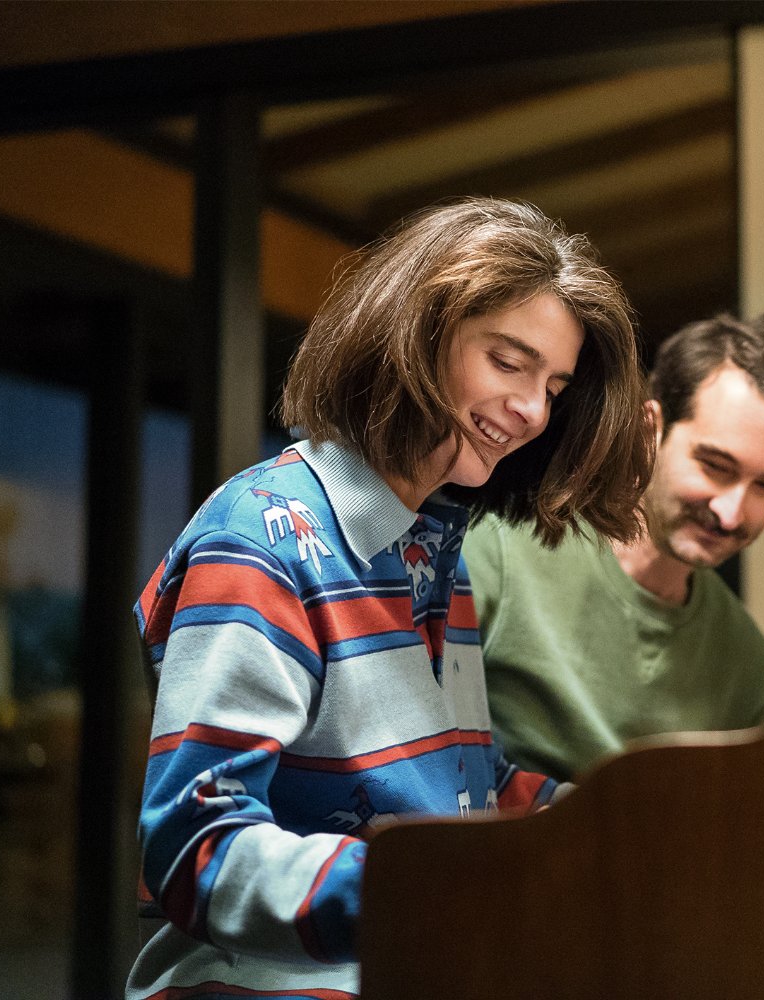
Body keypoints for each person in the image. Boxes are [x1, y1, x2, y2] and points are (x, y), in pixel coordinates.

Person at [126, 197, 653, 999]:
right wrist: (433, 883)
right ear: (415, 334)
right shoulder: (262, 539)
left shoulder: (438, 554)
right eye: (507, 363)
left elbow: (463, 790)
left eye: (553, 385)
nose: (532, 411)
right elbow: (195, 847)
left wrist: (629, 822)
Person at [465, 307, 764, 781]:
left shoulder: (745, 661)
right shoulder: (499, 549)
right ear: (649, 429)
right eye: (716, 466)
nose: (732, 512)